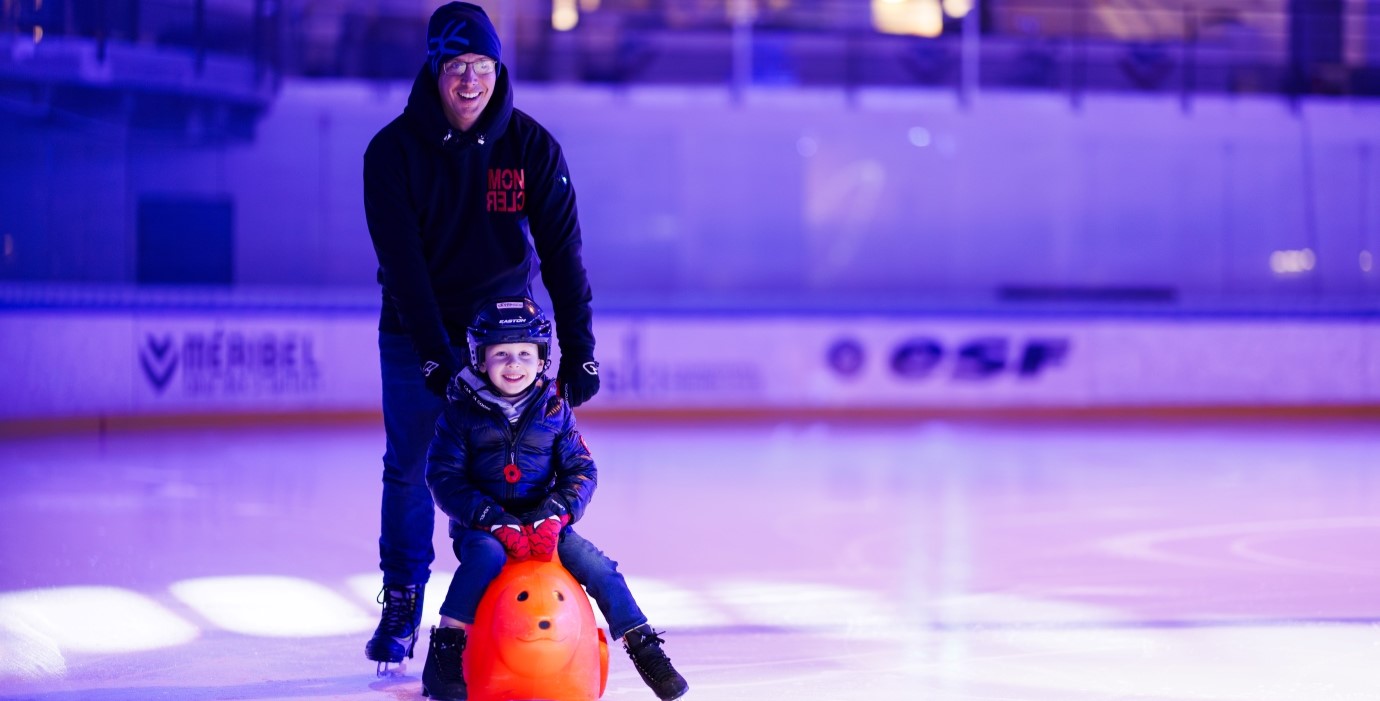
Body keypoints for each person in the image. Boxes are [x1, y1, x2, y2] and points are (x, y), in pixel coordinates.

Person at [361, 0, 602, 676]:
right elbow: (403, 267)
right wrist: (437, 354)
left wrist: (579, 344)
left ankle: (487, 599)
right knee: (409, 464)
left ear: (499, 68)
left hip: (506, 341)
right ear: (435, 69)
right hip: (416, 331)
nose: (472, 80)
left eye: (484, 65)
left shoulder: (530, 147)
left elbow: (564, 254)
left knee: (498, 469)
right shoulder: (392, 154)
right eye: (457, 66)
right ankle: (404, 595)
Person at [420, 297, 689, 701]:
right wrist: (490, 517)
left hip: (546, 521)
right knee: (485, 559)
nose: (514, 365)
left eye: (525, 354)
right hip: (482, 525)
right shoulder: (460, 412)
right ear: (479, 358)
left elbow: (582, 470)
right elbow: (444, 477)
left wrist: (556, 513)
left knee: (598, 567)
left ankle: (642, 643)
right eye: (502, 355)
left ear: (542, 358)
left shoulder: (555, 408)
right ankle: (444, 653)